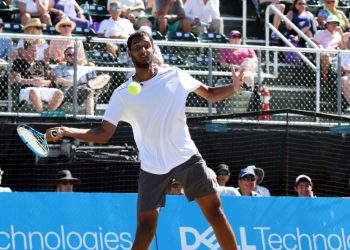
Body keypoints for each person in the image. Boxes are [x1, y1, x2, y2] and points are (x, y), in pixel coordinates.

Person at [46, 31, 243, 249]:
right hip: (153, 167)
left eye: (146, 45)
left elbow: (211, 94)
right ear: (130, 53)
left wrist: (234, 88)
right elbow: (103, 133)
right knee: (146, 229)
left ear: (152, 48)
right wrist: (66, 130)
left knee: (215, 212)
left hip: (186, 157)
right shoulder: (122, 94)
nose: (143, 50)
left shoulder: (175, 75)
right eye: (137, 47)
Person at [52, 47, 110, 115]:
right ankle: (90, 118)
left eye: (74, 54)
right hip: (70, 89)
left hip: (87, 86)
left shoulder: (85, 68)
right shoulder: (61, 67)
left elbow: (97, 79)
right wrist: (78, 82)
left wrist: (89, 82)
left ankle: (88, 85)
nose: (72, 56)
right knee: (88, 91)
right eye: (70, 55)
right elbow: (59, 80)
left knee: (106, 76)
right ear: (65, 56)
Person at [11, 40, 64, 112]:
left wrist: (43, 82)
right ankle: (41, 113)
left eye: (35, 51)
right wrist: (31, 81)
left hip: (43, 88)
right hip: (26, 89)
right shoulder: (18, 62)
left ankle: (47, 113)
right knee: (34, 91)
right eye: (32, 51)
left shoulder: (41, 63)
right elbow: (14, 79)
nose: (34, 53)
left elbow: (51, 80)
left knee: (59, 93)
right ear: (25, 51)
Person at [312, 15, 345, 83]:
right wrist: (321, 48)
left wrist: (341, 33)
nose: (334, 25)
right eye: (332, 23)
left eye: (336, 23)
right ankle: (324, 77)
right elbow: (314, 42)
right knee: (325, 55)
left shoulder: (338, 35)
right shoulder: (320, 33)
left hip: (335, 56)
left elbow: (342, 47)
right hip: (321, 54)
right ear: (327, 24)